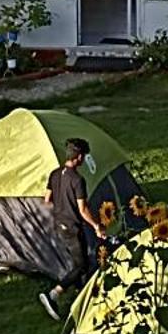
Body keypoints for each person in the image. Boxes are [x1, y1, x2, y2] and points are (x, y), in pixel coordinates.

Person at [39, 137, 105, 320]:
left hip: (59, 224)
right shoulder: (77, 180)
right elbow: (83, 210)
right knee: (82, 265)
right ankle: (53, 295)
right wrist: (97, 226)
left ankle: (81, 301)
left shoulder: (54, 174)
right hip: (72, 227)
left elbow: (47, 201)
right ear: (79, 157)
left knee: (79, 263)